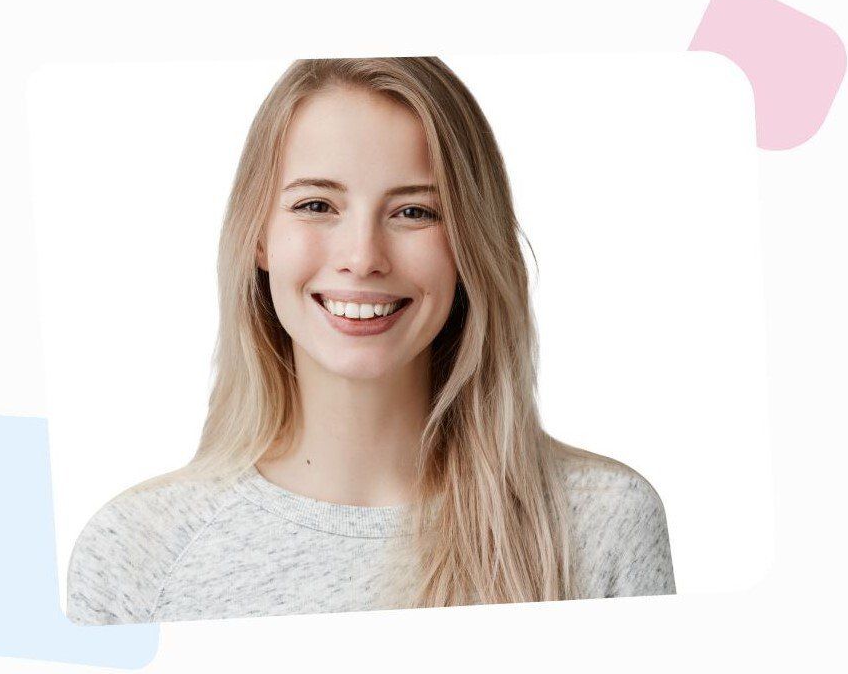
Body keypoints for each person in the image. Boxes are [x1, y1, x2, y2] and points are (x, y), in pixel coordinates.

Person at [66, 57, 675, 626]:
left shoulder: (601, 522)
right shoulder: (138, 551)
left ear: (470, 245)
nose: (362, 259)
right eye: (316, 205)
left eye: (414, 212)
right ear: (258, 236)